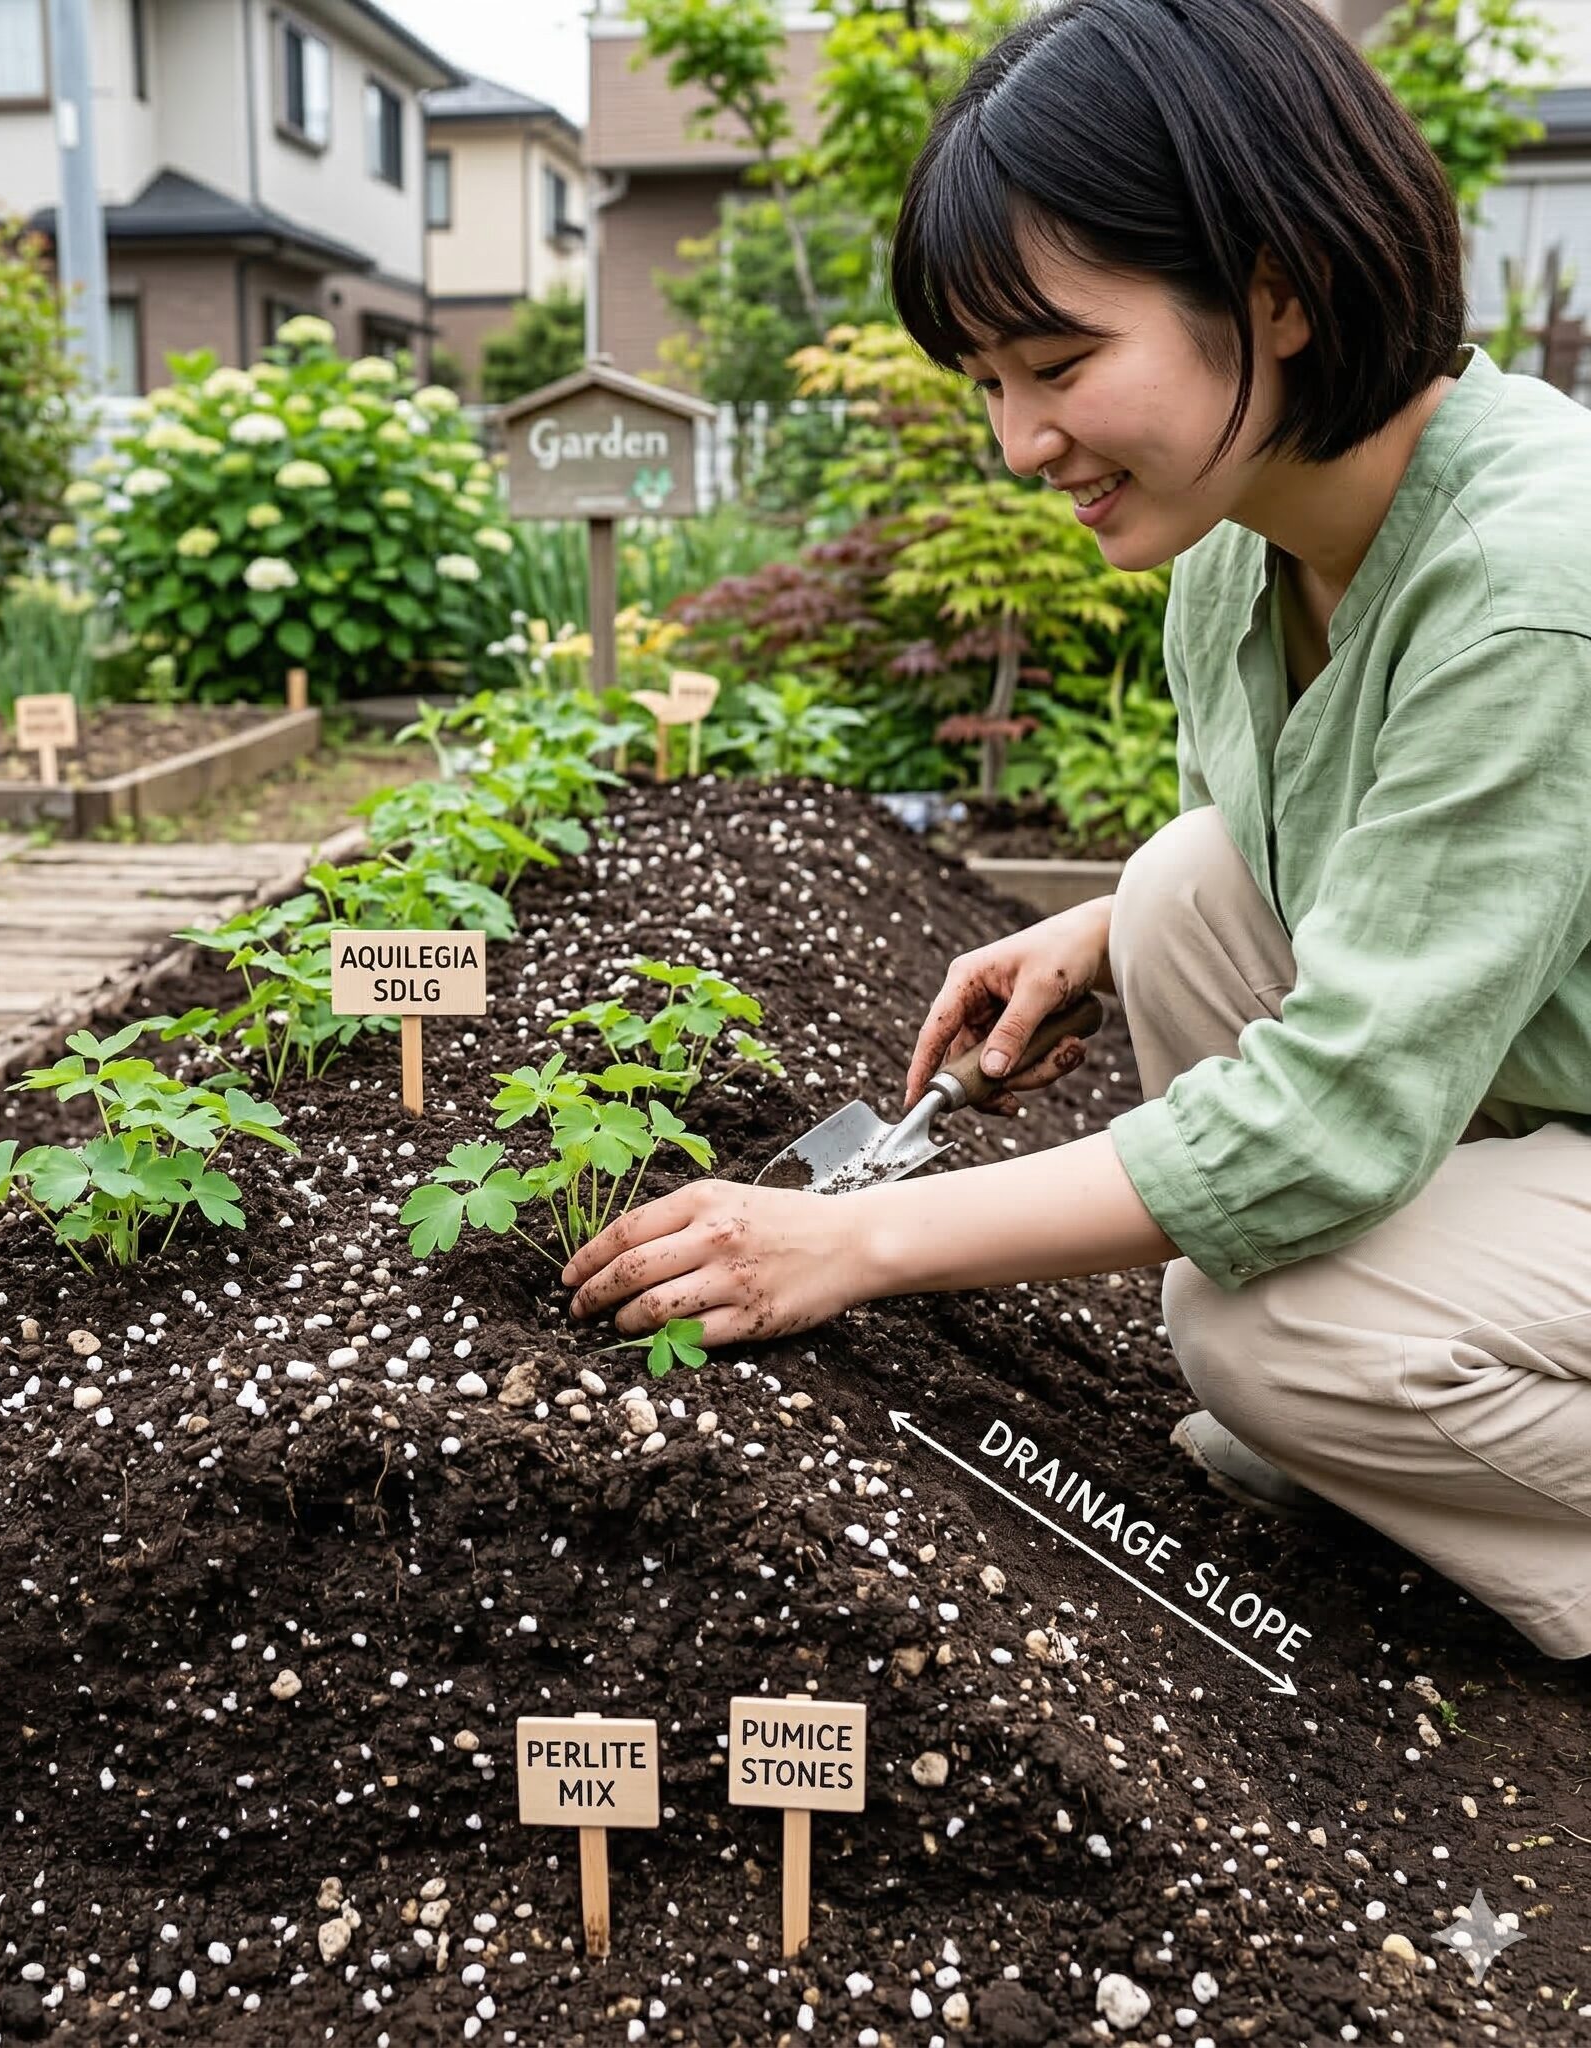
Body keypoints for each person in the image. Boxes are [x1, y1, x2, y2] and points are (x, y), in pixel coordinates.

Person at [558, 0, 1591, 1659]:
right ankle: (1387, 1443)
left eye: (1058, 364)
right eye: (987, 381)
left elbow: (1332, 1119)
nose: (1022, 443)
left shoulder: (1535, 584)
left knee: (1263, 1339)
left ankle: (1401, 1425)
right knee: (1179, 886)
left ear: (1279, 288)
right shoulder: (1240, 561)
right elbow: (1377, 866)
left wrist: (853, 1240)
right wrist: (1098, 933)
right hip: (1550, 1096)